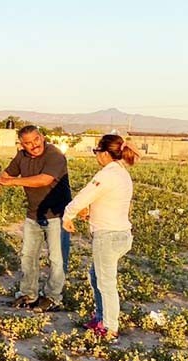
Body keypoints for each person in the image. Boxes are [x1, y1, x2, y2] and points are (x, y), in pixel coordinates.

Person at [62, 135, 138, 343]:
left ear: (104, 153)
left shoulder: (107, 174)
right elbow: (107, 200)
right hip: (120, 233)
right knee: (97, 277)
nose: (97, 157)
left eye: (97, 152)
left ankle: (110, 327)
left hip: (108, 235)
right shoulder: (121, 173)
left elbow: (84, 196)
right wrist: (90, 212)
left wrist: (68, 215)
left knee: (105, 282)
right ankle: (101, 317)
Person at [0, 125, 72, 312]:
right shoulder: (22, 156)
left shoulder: (55, 155)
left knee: (57, 259)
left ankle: (53, 296)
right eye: (28, 143)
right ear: (22, 144)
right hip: (33, 215)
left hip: (56, 215)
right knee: (28, 256)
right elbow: (6, 175)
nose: (34, 145)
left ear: (41, 137)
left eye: (36, 139)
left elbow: (44, 179)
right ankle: (28, 294)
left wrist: (11, 182)